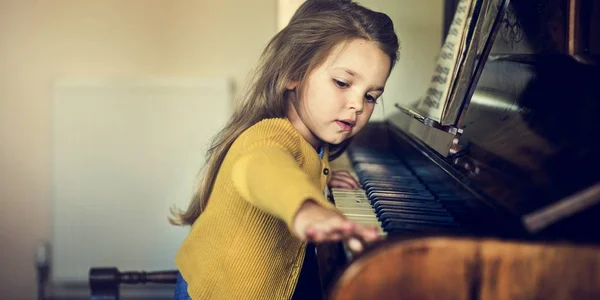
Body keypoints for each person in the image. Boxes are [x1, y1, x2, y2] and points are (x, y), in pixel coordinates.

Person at [169, 0, 400, 299]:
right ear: (294, 73)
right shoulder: (268, 136)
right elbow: (265, 169)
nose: (357, 105)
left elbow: (297, 165)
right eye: (342, 83)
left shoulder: (315, 139)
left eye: (370, 96)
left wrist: (319, 179)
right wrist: (306, 207)